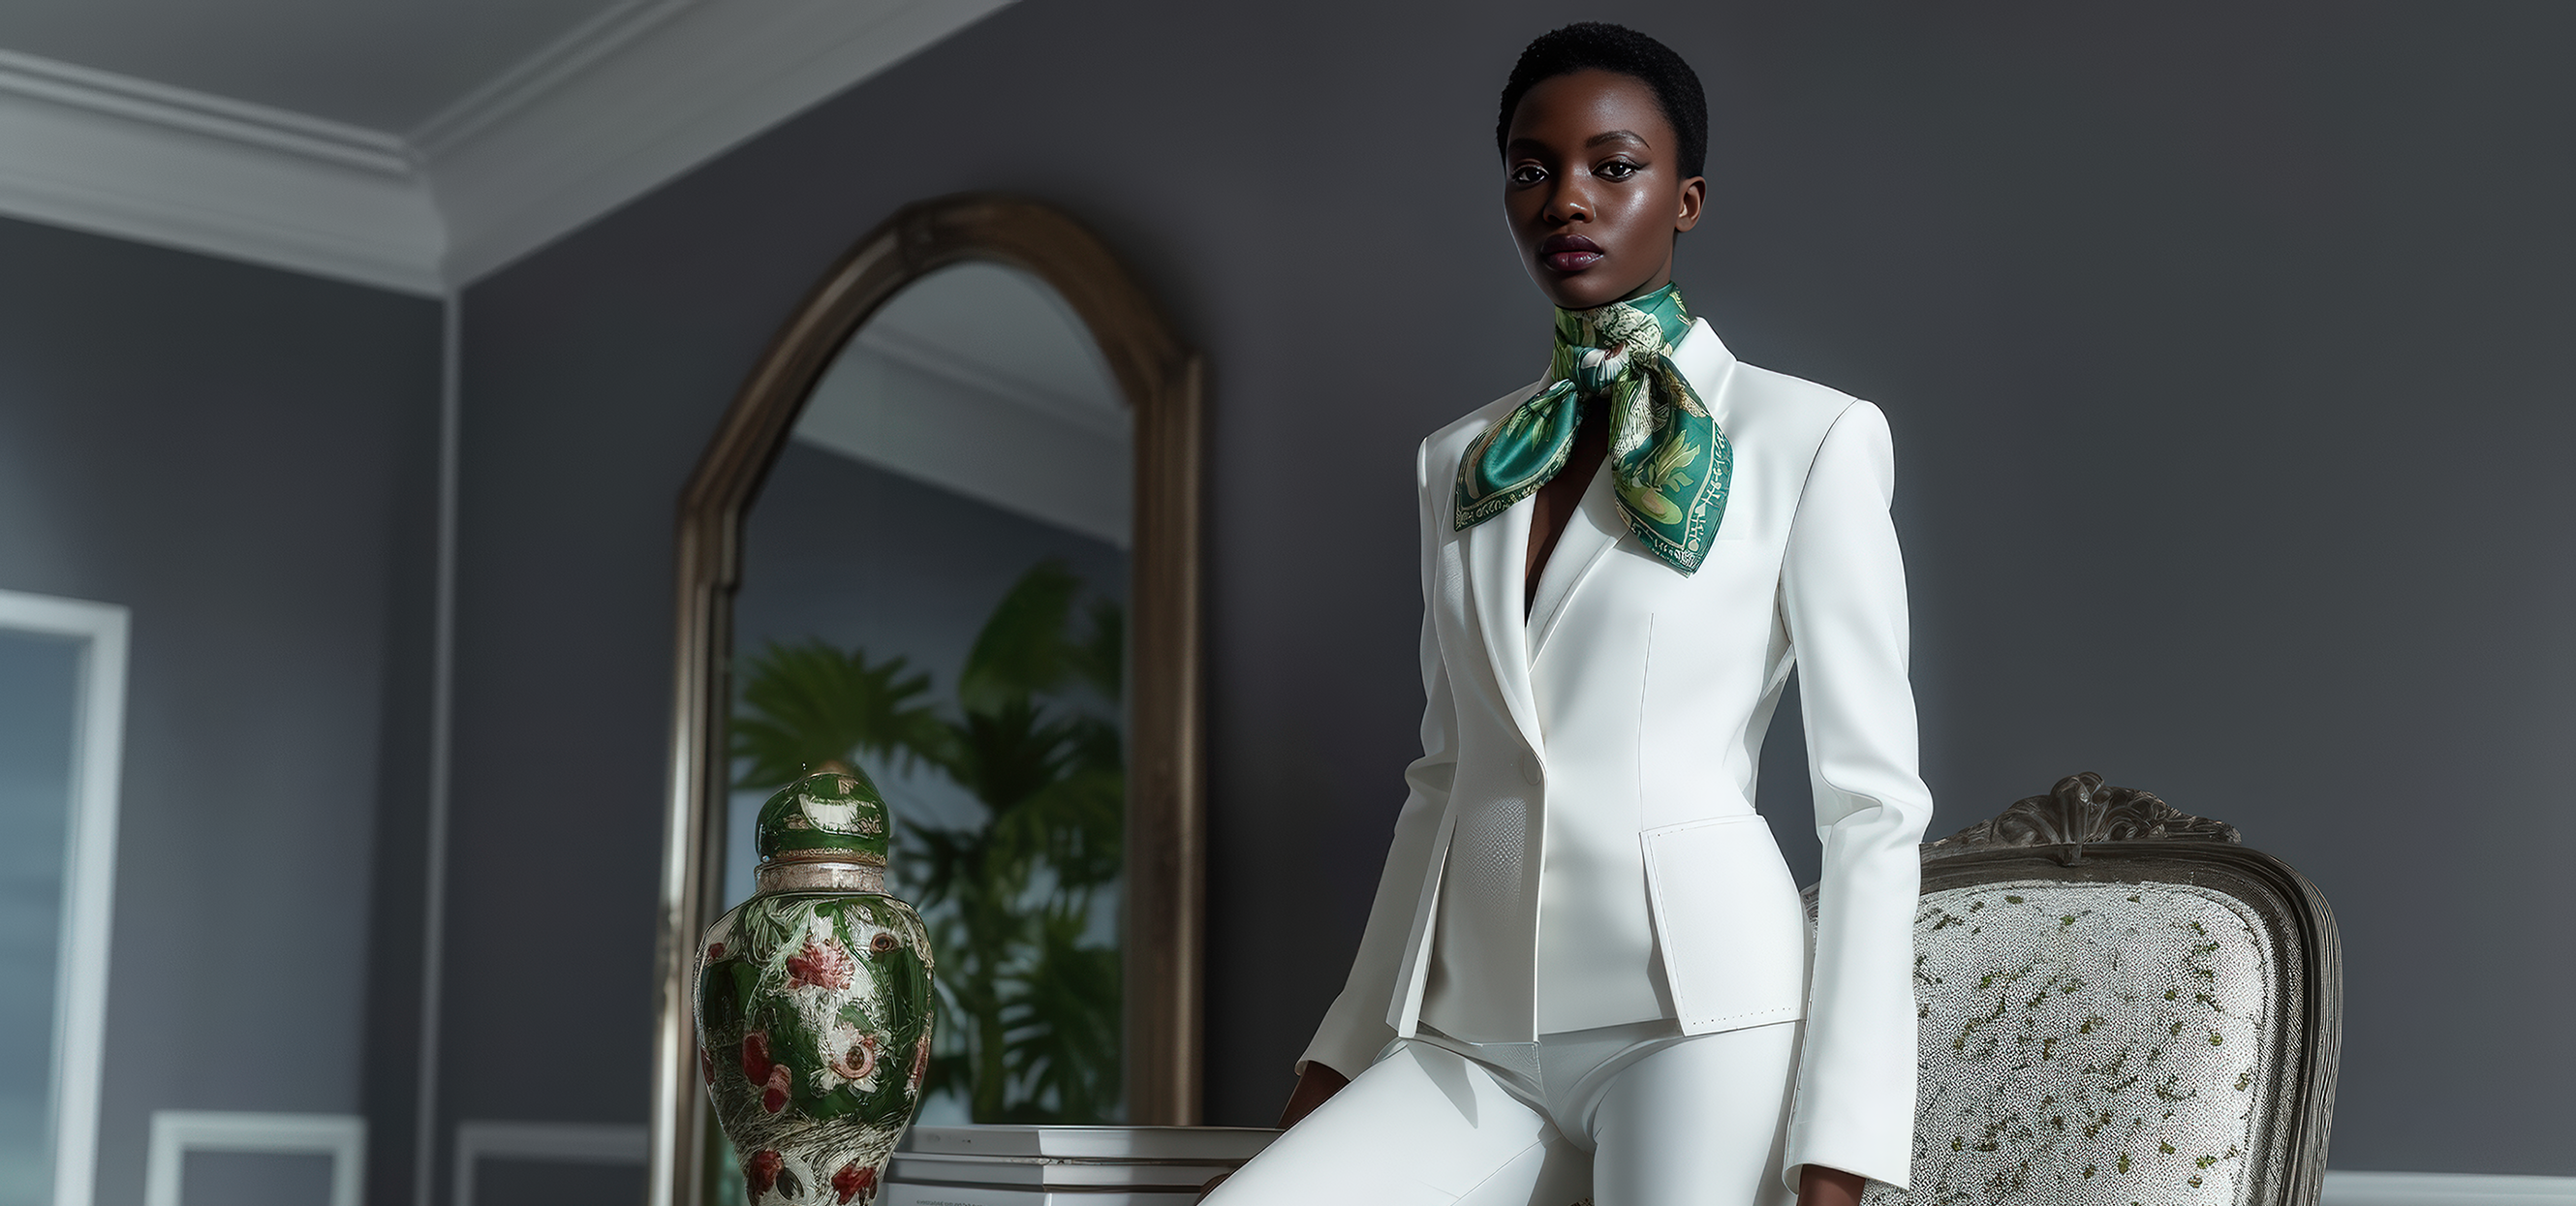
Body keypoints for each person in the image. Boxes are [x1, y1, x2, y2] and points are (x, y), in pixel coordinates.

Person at [1205, 21, 1933, 1206]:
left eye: (1614, 165)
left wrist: (1842, 1145)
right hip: (1470, 1034)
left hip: (1702, 1018)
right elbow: (1444, 776)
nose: (1566, 201)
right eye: (1532, 169)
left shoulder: (1809, 438)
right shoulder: (1460, 460)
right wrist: (1338, 1055)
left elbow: (1872, 809)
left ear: (1685, 197)